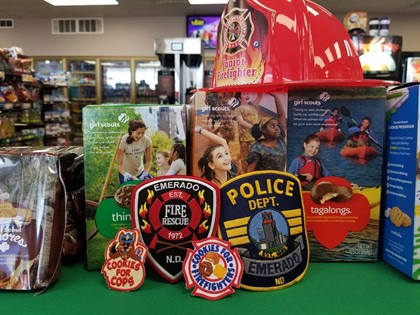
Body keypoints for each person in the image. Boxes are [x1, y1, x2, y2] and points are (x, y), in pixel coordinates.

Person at [233, 91, 263, 173]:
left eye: (248, 93)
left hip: (255, 136)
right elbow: (240, 121)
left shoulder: (253, 105)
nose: (247, 95)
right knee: (245, 156)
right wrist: (253, 127)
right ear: (239, 98)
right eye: (244, 94)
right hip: (245, 137)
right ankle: (246, 173)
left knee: (256, 154)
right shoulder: (238, 109)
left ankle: (254, 170)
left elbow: (259, 97)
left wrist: (260, 89)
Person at [117, 118, 153, 184]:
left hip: (140, 173)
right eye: (138, 133)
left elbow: (149, 161)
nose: (140, 136)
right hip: (125, 174)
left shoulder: (147, 141)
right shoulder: (123, 141)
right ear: (131, 131)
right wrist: (125, 174)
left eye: (143, 133)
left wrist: (145, 172)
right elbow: (119, 166)